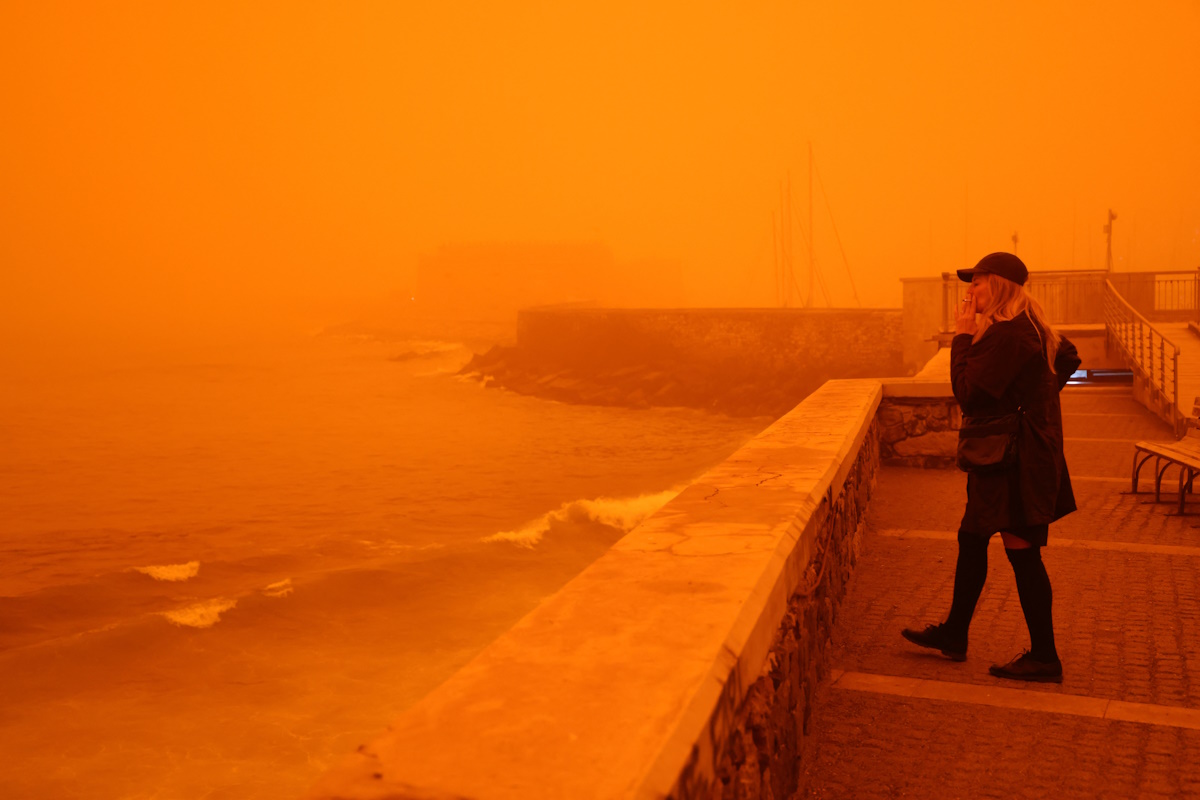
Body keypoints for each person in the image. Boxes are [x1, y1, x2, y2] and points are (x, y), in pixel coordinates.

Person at [901, 252, 1081, 683]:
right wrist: (1031, 404)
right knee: (973, 537)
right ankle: (956, 633)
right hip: (1019, 457)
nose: (970, 291)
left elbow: (967, 392)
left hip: (1013, 463)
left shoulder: (1008, 335)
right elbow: (1068, 357)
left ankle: (1043, 657)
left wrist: (961, 339)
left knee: (1022, 555)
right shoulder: (1031, 327)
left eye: (977, 283)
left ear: (998, 286)